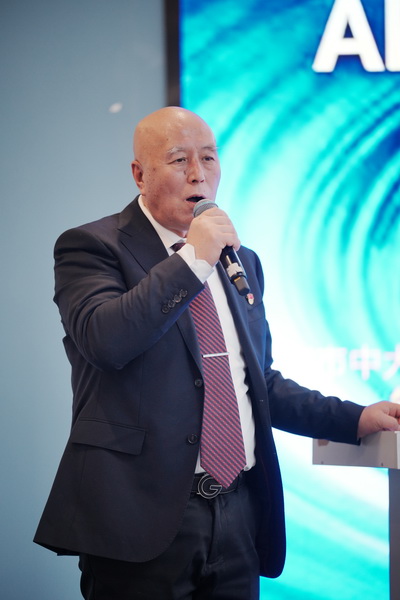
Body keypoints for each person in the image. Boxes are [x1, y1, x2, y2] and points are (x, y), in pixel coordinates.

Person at [34, 106, 400, 600]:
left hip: (237, 513)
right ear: (140, 175)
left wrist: (354, 418)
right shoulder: (92, 246)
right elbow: (108, 341)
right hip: (139, 518)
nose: (198, 173)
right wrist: (194, 258)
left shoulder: (241, 261)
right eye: (179, 159)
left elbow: (257, 384)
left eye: (208, 157)